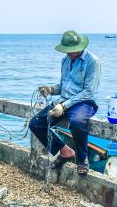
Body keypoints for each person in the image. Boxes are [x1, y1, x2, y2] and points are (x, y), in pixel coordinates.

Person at [29, 30, 101, 175]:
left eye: (70, 51)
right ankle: (65, 151)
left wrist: (64, 106)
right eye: (66, 51)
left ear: (79, 47)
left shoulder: (92, 61)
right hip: (64, 101)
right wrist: (50, 89)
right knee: (36, 123)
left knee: (77, 122)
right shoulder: (65, 60)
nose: (68, 53)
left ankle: (82, 158)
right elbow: (64, 86)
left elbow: (88, 92)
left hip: (84, 102)